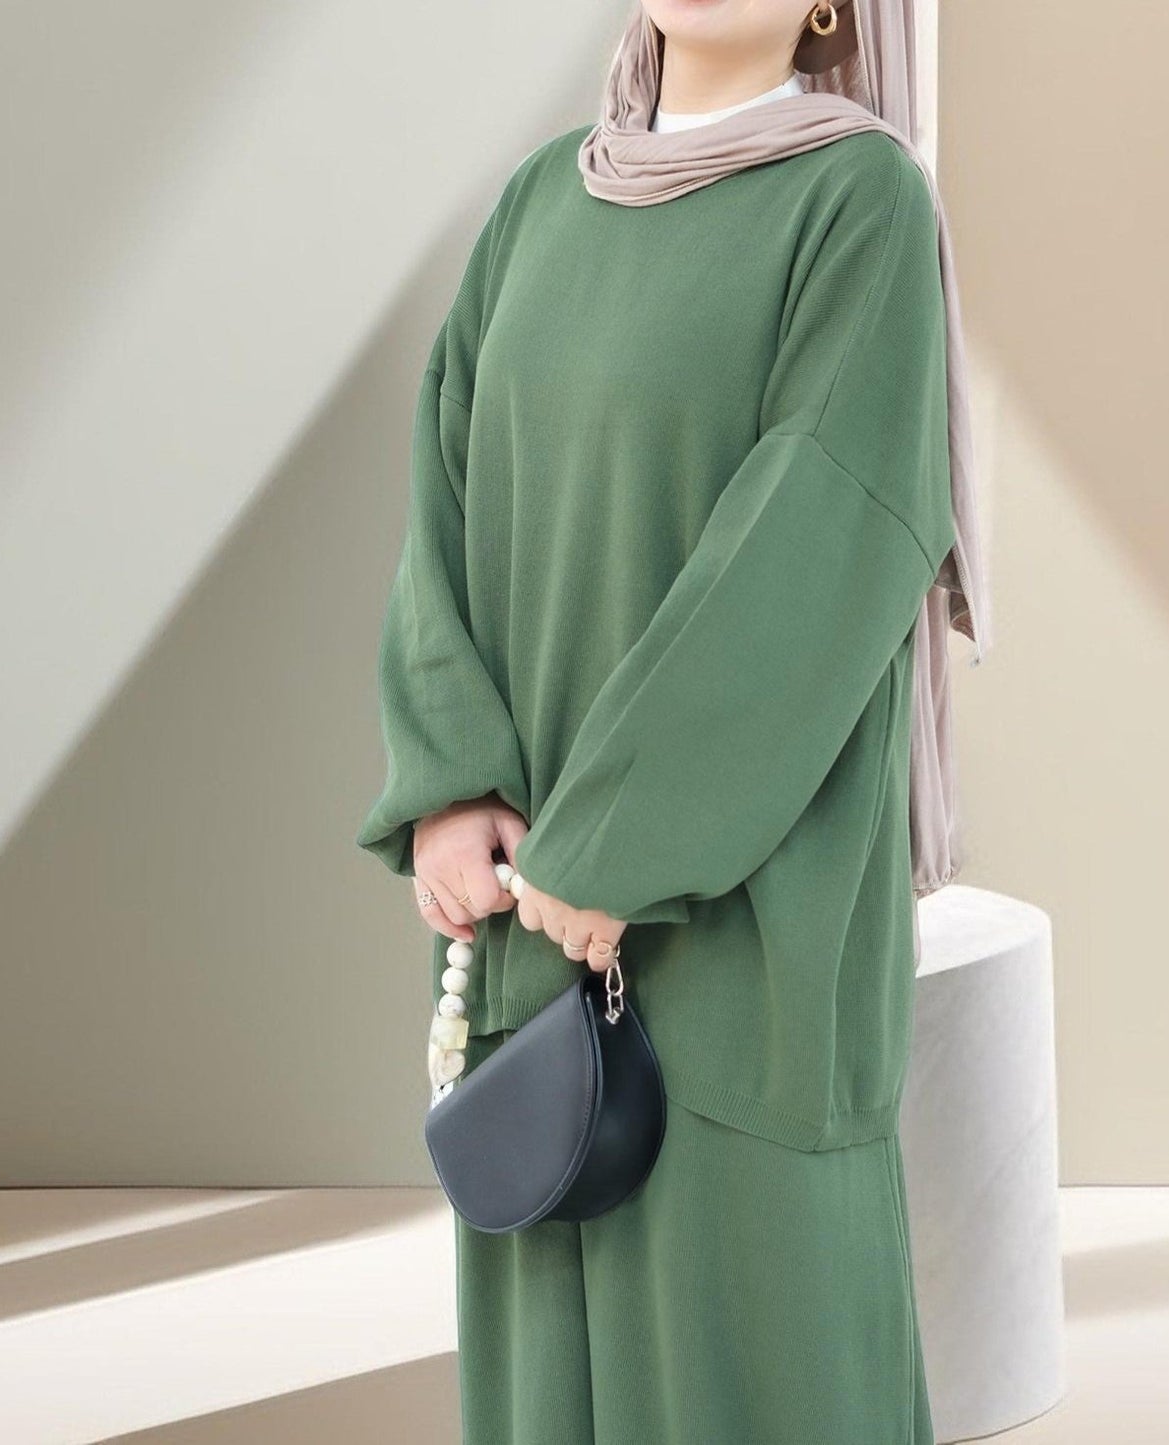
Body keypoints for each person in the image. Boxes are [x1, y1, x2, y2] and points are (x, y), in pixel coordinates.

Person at [356, 2, 988, 1440]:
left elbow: (820, 546)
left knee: (748, 1349)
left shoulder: (859, 202)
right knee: (548, 1349)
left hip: (744, 916)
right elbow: (441, 501)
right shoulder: (541, 201)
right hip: (527, 905)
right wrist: (450, 784)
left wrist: (617, 845)